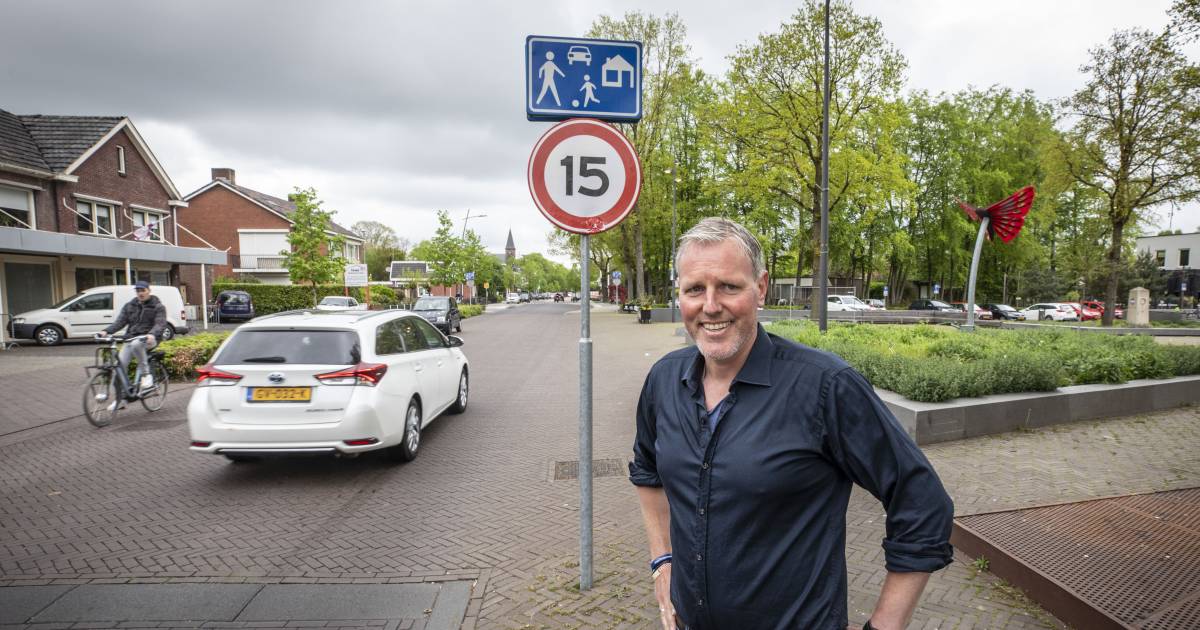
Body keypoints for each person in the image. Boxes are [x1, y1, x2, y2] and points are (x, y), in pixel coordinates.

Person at [629, 218, 955, 630]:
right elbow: (646, 470)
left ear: (760, 288)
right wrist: (662, 560)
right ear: (679, 295)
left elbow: (921, 500)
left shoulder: (825, 387)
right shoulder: (663, 380)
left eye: (729, 286)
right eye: (695, 289)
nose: (710, 306)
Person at [96, 280, 167, 410]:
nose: (140, 293)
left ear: (148, 291)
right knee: (119, 367)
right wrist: (106, 331)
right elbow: (120, 322)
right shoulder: (130, 306)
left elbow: (160, 323)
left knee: (136, 344)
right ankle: (121, 399)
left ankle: (146, 375)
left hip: (149, 339)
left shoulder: (158, 306)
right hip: (131, 339)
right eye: (138, 291)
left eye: (143, 290)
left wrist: (152, 334)